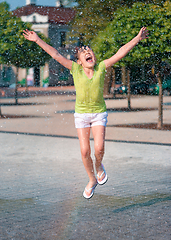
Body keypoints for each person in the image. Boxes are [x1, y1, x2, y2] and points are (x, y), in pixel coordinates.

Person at [23, 27, 148, 199]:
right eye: (84, 52)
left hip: (98, 114)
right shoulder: (76, 69)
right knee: (84, 151)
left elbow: (120, 53)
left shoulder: (101, 67)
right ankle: (91, 180)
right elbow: (56, 55)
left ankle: (99, 166)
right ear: (80, 61)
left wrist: (137, 38)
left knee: (99, 147)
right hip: (81, 115)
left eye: (90, 51)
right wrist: (37, 40)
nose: (88, 52)